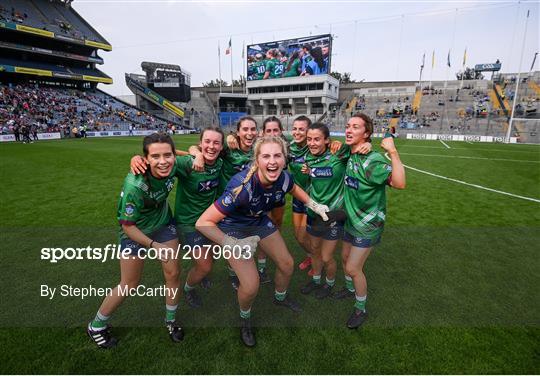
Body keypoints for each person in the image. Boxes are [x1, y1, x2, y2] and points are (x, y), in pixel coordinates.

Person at [195, 136, 329, 347]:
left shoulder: (284, 177)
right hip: (233, 229)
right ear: (257, 161)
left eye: (277, 155)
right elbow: (203, 222)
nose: (272, 161)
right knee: (250, 285)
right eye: (266, 156)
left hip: (257, 221)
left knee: (286, 264)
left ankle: (280, 297)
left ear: (285, 160)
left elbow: (294, 188)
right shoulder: (242, 187)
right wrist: (231, 244)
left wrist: (314, 204)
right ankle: (245, 319)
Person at [87, 133, 184, 348]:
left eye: (168, 155)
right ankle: (96, 325)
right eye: (155, 156)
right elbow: (127, 226)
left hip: (164, 224)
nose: (163, 161)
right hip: (136, 231)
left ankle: (170, 320)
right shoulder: (134, 184)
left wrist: (194, 152)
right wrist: (154, 246)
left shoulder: (172, 165)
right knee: (129, 284)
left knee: (173, 273)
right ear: (146, 158)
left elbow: (192, 155)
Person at [131, 127, 225, 308]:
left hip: (211, 220)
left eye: (216, 143)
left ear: (221, 147)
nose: (211, 146)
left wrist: (196, 151)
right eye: (207, 142)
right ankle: (189, 288)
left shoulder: (221, 162)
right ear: (200, 143)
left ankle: (200, 274)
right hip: (188, 223)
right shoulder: (186, 164)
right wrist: (137, 158)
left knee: (210, 258)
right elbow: (163, 159)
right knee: (205, 265)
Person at [341, 113, 405, 329]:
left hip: (367, 225)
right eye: (348, 126)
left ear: (366, 133)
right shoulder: (349, 153)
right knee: (344, 258)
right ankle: (349, 290)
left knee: (352, 268)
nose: (349, 130)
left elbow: (399, 183)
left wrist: (393, 152)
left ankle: (361, 308)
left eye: (356, 127)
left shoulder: (372, 159)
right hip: (351, 219)